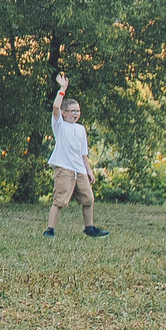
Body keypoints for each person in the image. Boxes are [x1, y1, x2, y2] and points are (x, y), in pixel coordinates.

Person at [44, 73, 107, 237]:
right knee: (60, 201)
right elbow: (56, 107)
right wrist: (62, 89)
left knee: (88, 199)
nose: (76, 114)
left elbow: (83, 154)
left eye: (78, 111)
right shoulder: (60, 125)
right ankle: (50, 229)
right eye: (72, 111)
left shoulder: (81, 129)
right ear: (64, 113)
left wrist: (89, 170)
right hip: (65, 169)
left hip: (79, 170)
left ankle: (89, 228)